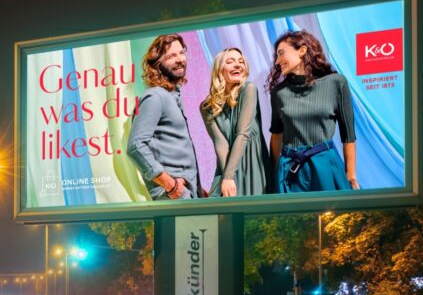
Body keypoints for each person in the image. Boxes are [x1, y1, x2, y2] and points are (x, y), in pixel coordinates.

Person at [267, 30, 358, 192]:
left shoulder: (337, 83)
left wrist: (351, 175)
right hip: (289, 169)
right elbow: (276, 136)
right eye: (276, 56)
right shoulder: (278, 92)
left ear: (302, 50)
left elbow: (348, 136)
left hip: (326, 165)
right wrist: (273, 176)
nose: (277, 61)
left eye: (281, 54)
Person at [127, 34, 200, 200]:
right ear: (158, 63)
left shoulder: (173, 97)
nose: (180, 59)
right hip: (171, 196)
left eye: (181, 53)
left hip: (185, 195)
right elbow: (135, 146)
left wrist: (196, 188)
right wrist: (171, 186)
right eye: (172, 55)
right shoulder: (154, 97)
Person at [200, 47, 270, 197]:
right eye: (230, 62)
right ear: (220, 69)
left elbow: (243, 133)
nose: (238, 65)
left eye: (241, 62)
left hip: (251, 165)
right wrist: (227, 177)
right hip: (226, 165)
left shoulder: (248, 89)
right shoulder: (207, 107)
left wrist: (229, 176)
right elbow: (220, 143)